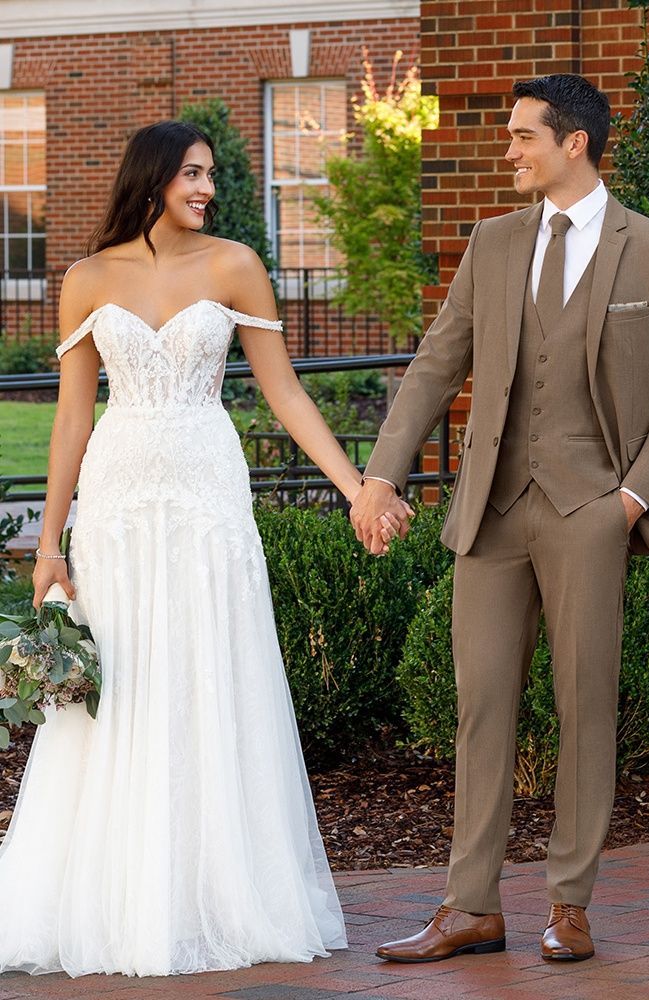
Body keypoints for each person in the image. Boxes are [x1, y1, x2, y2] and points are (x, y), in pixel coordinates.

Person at [0, 120, 403, 978]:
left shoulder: (234, 265)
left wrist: (354, 485)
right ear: (151, 178)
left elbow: (284, 392)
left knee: (209, 671)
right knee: (128, 682)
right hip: (116, 505)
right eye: (191, 174)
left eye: (210, 175)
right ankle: (114, 897)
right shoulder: (86, 279)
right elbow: (73, 416)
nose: (207, 188)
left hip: (208, 500)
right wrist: (49, 541)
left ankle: (214, 890)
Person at [351, 74, 649, 963]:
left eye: (522, 136)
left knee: (584, 706)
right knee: (480, 710)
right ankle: (469, 905)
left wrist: (628, 499)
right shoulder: (494, 240)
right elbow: (438, 364)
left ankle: (571, 905)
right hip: (494, 511)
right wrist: (379, 477)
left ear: (574, 143)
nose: (508, 151)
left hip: (592, 509)